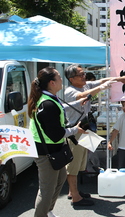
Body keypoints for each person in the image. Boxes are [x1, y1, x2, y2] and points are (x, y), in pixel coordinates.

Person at [64, 64, 125, 206]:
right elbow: (83, 95)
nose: (84, 77)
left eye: (84, 74)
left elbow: (102, 80)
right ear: (71, 79)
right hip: (75, 131)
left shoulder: (85, 85)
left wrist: (120, 79)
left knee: (82, 162)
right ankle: (75, 197)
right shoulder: (70, 91)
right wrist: (102, 88)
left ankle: (73, 191)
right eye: (80, 75)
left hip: (85, 127)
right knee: (73, 164)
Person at [28, 67, 87, 216]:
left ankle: (48, 211)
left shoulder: (49, 99)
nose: (62, 80)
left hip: (53, 149)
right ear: (52, 83)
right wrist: (75, 130)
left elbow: (59, 111)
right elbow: (57, 135)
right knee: (46, 190)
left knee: (60, 179)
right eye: (59, 77)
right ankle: (42, 214)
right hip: (46, 151)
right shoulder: (47, 104)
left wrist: (78, 102)